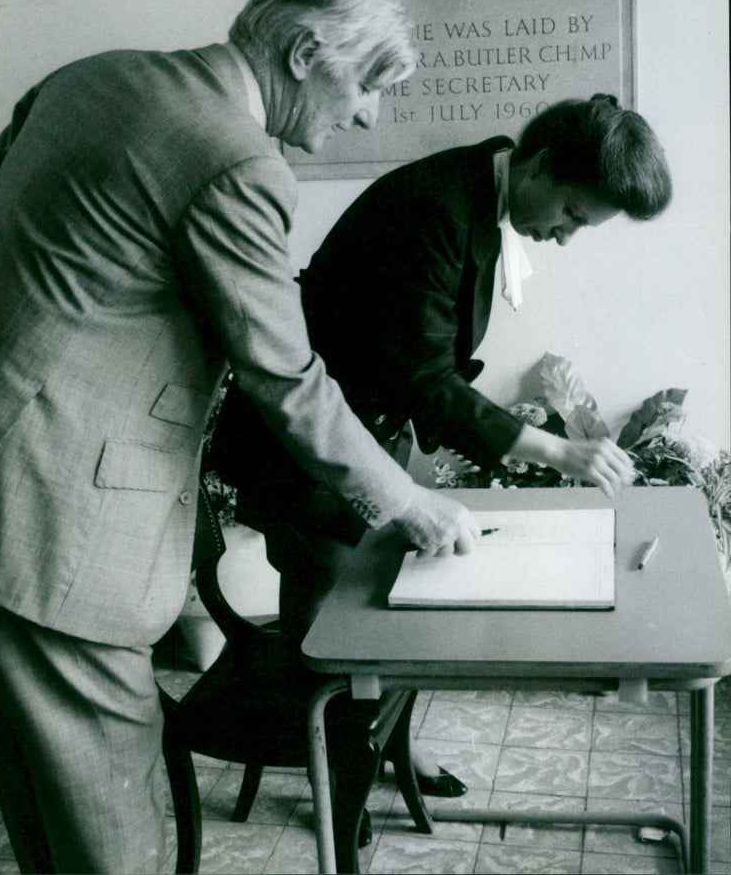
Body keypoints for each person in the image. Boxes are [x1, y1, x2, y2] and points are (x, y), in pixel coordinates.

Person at [0, 0, 482, 875]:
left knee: (36, 780)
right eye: (366, 85)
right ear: (303, 53)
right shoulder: (237, 161)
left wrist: (49, 356)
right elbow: (285, 377)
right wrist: (408, 502)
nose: (367, 114)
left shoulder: (91, 77)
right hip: (50, 513)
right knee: (110, 815)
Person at [210, 92, 672, 796]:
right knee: (333, 625)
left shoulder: (479, 190)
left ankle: (382, 742)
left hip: (368, 431)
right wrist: (561, 452)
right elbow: (426, 379)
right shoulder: (434, 208)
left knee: (387, 608)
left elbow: (426, 363)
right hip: (305, 449)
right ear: (541, 165)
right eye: (574, 214)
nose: (565, 237)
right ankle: (341, 779)